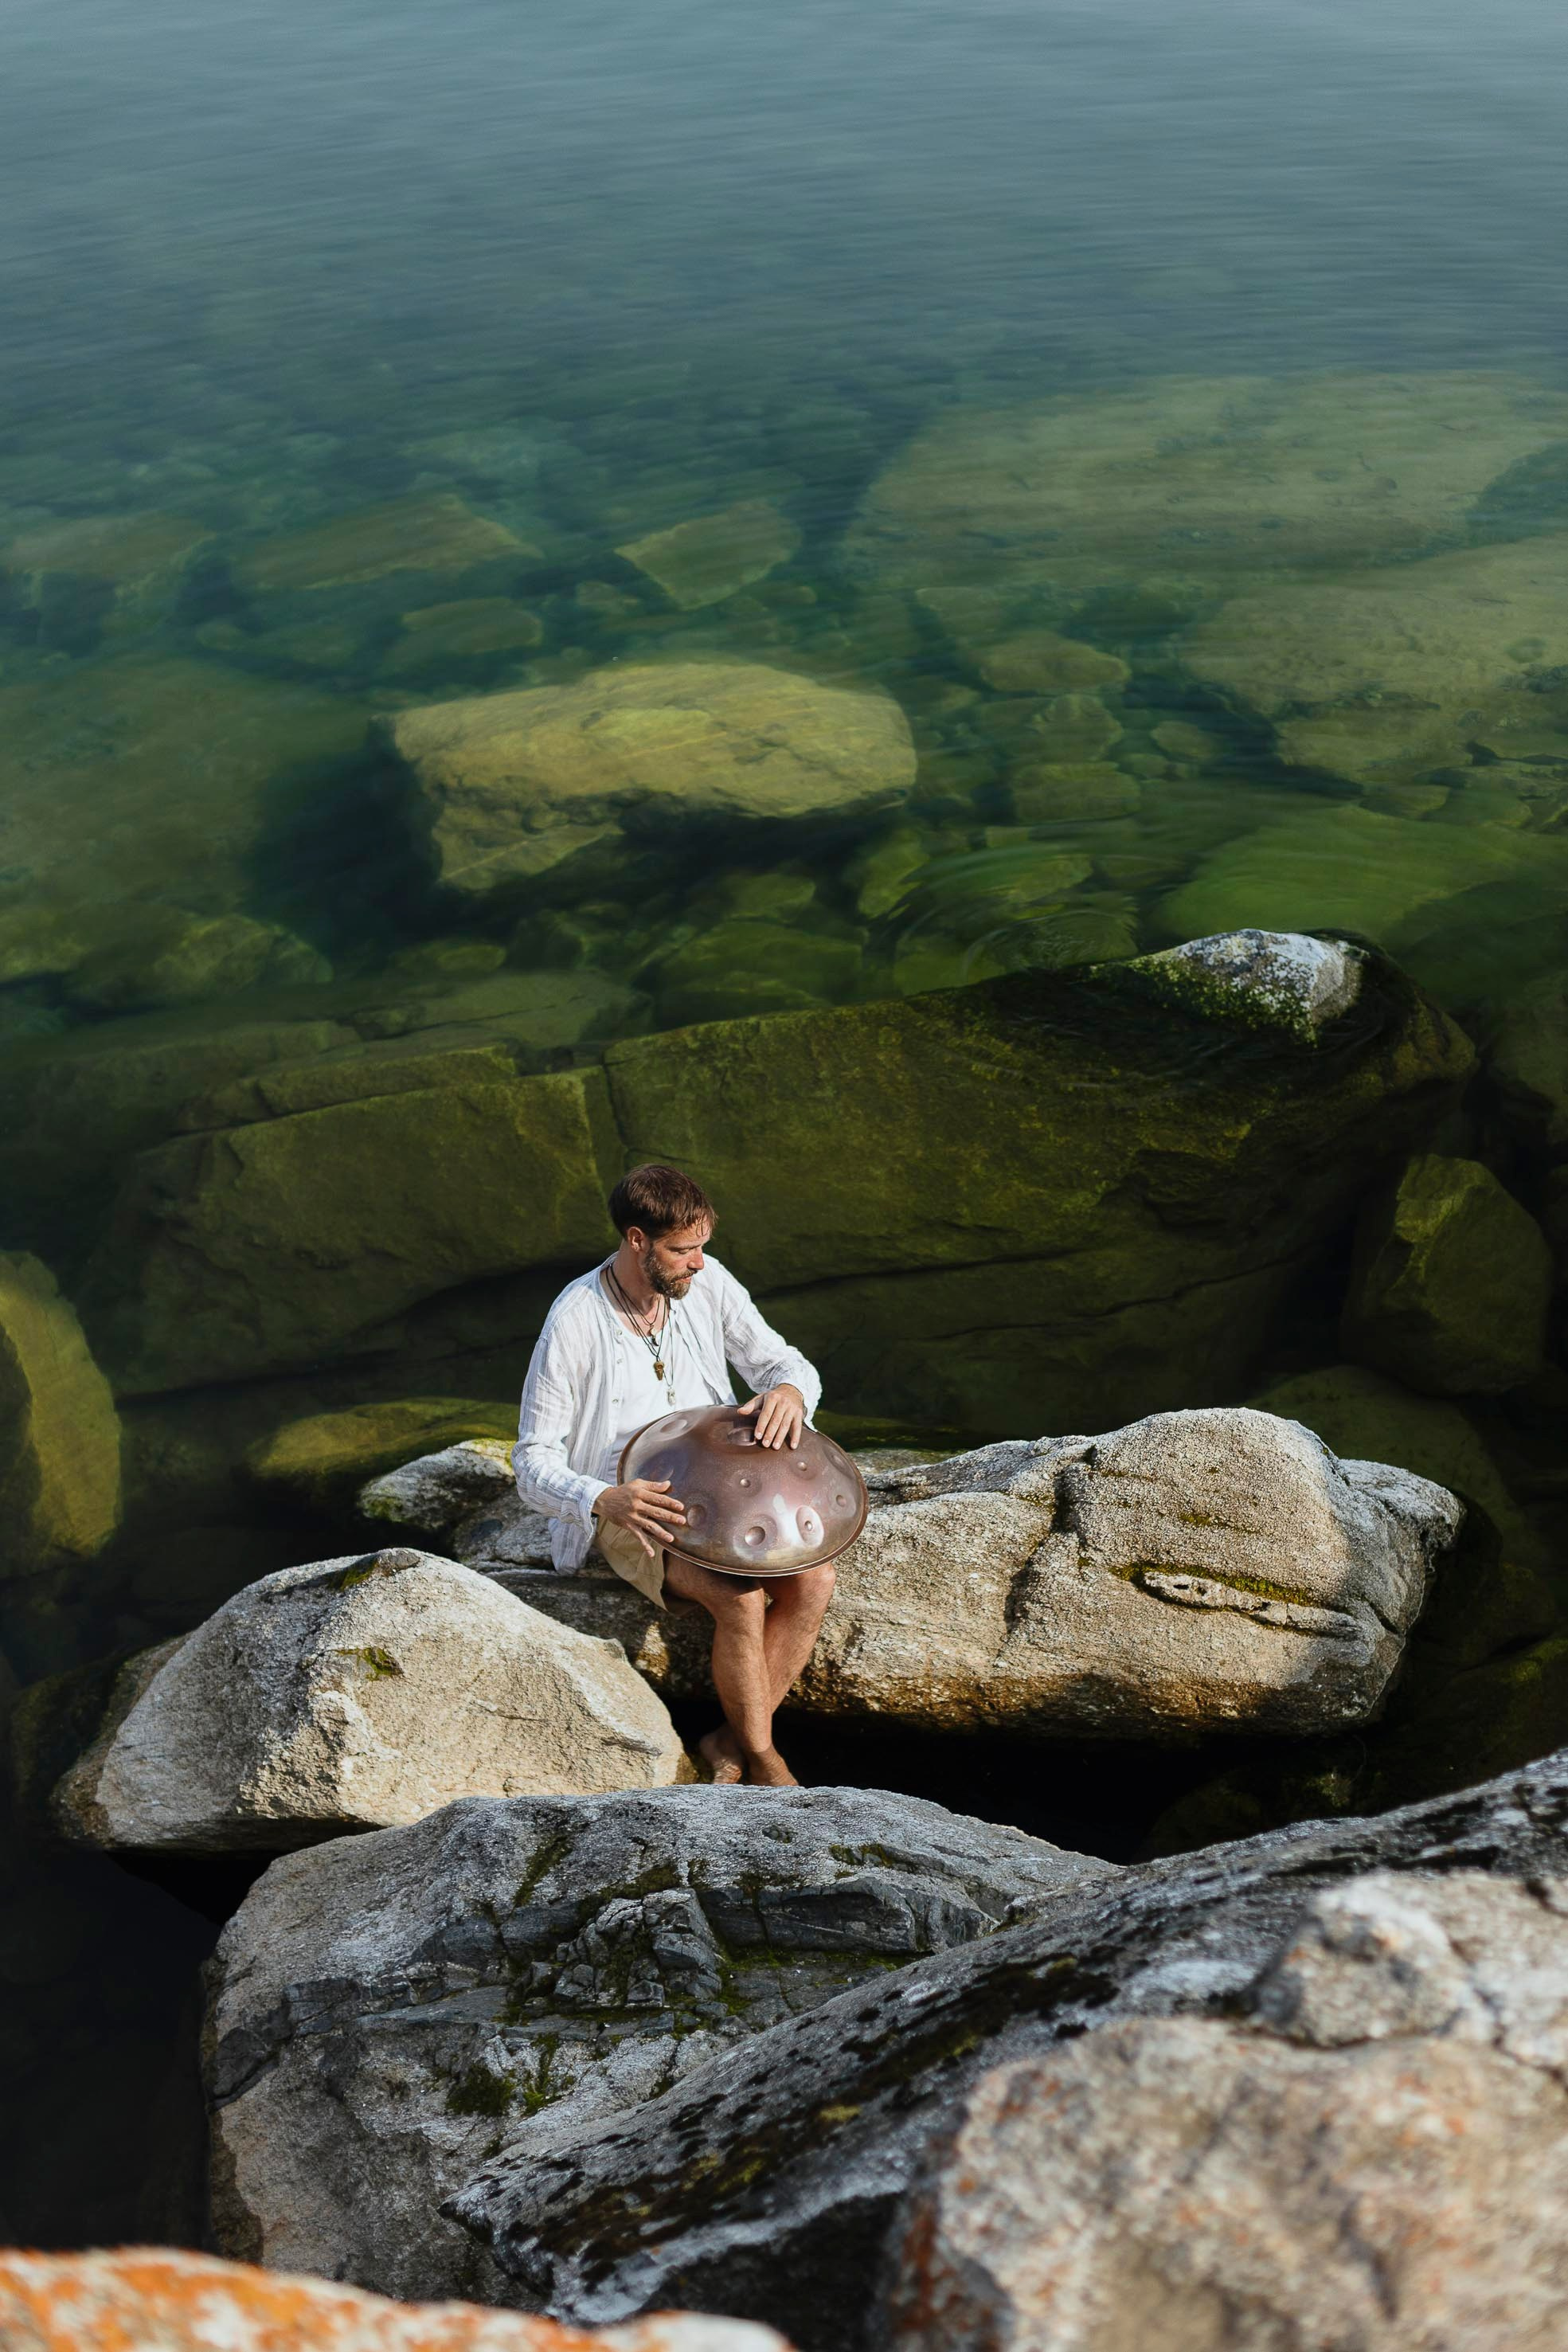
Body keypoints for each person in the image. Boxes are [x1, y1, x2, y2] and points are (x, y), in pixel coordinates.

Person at [514, 1163, 835, 1787]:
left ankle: (726, 1738)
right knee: (738, 1597)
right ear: (637, 1241)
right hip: (637, 1500)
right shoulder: (574, 1320)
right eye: (682, 1250)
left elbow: (782, 1361)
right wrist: (604, 1496)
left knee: (816, 1578)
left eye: (702, 1246)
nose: (698, 1263)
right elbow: (531, 1460)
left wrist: (791, 1390)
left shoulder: (705, 1283)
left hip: (723, 1481)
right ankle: (764, 1757)